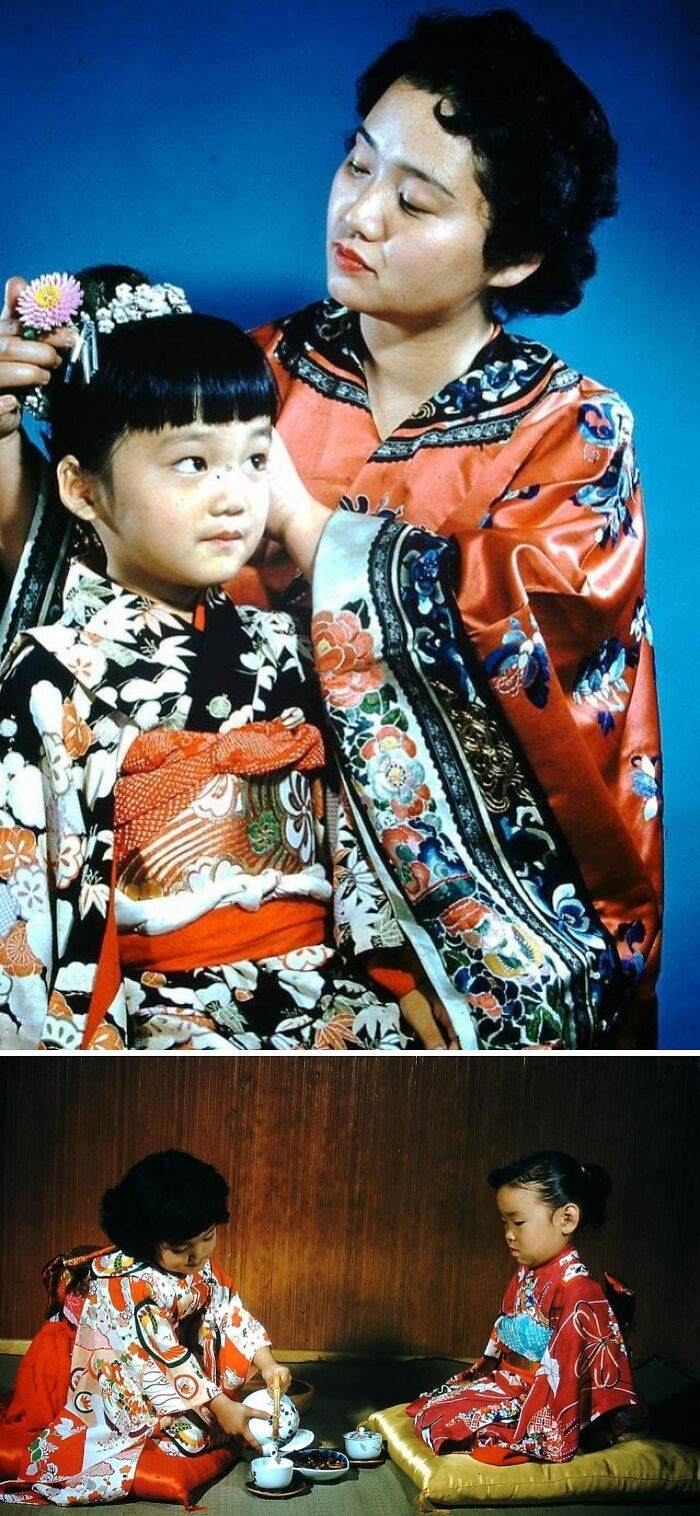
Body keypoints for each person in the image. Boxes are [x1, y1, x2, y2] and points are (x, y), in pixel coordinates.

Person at [0, 9, 663, 1047]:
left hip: (439, 917)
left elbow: (545, 669)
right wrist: (6, 444)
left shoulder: (572, 433)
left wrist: (314, 531)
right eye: (357, 167)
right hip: (185, 913)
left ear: (517, 255)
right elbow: (90, 575)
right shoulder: (245, 375)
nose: (359, 215)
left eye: (414, 200)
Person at [0, 270, 416, 1051]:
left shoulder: (294, 646)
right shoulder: (49, 674)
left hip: (327, 985)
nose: (234, 496)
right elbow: (37, 900)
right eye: (192, 463)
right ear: (81, 489)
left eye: (255, 458)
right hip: (155, 1005)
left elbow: (360, 843)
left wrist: (396, 977)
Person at [0, 1150, 291, 1505]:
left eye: (208, 1236)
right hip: (120, 1362)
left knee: (214, 1423)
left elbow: (228, 1307)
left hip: (172, 1364)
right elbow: (158, 1353)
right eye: (181, 1247)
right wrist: (217, 1405)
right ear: (149, 1239)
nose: (197, 1256)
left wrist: (268, 1363)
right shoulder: (125, 1283)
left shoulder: (193, 1259)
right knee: (193, 1436)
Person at [405, 1150, 645, 1463]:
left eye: (518, 1222)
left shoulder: (579, 1289)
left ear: (567, 1218)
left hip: (542, 1397)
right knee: (431, 1410)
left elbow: (563, 1372)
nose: (508, 1234)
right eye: (504, 1222)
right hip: (511, 1382)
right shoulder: (528, 1270)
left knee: (456, 1426)